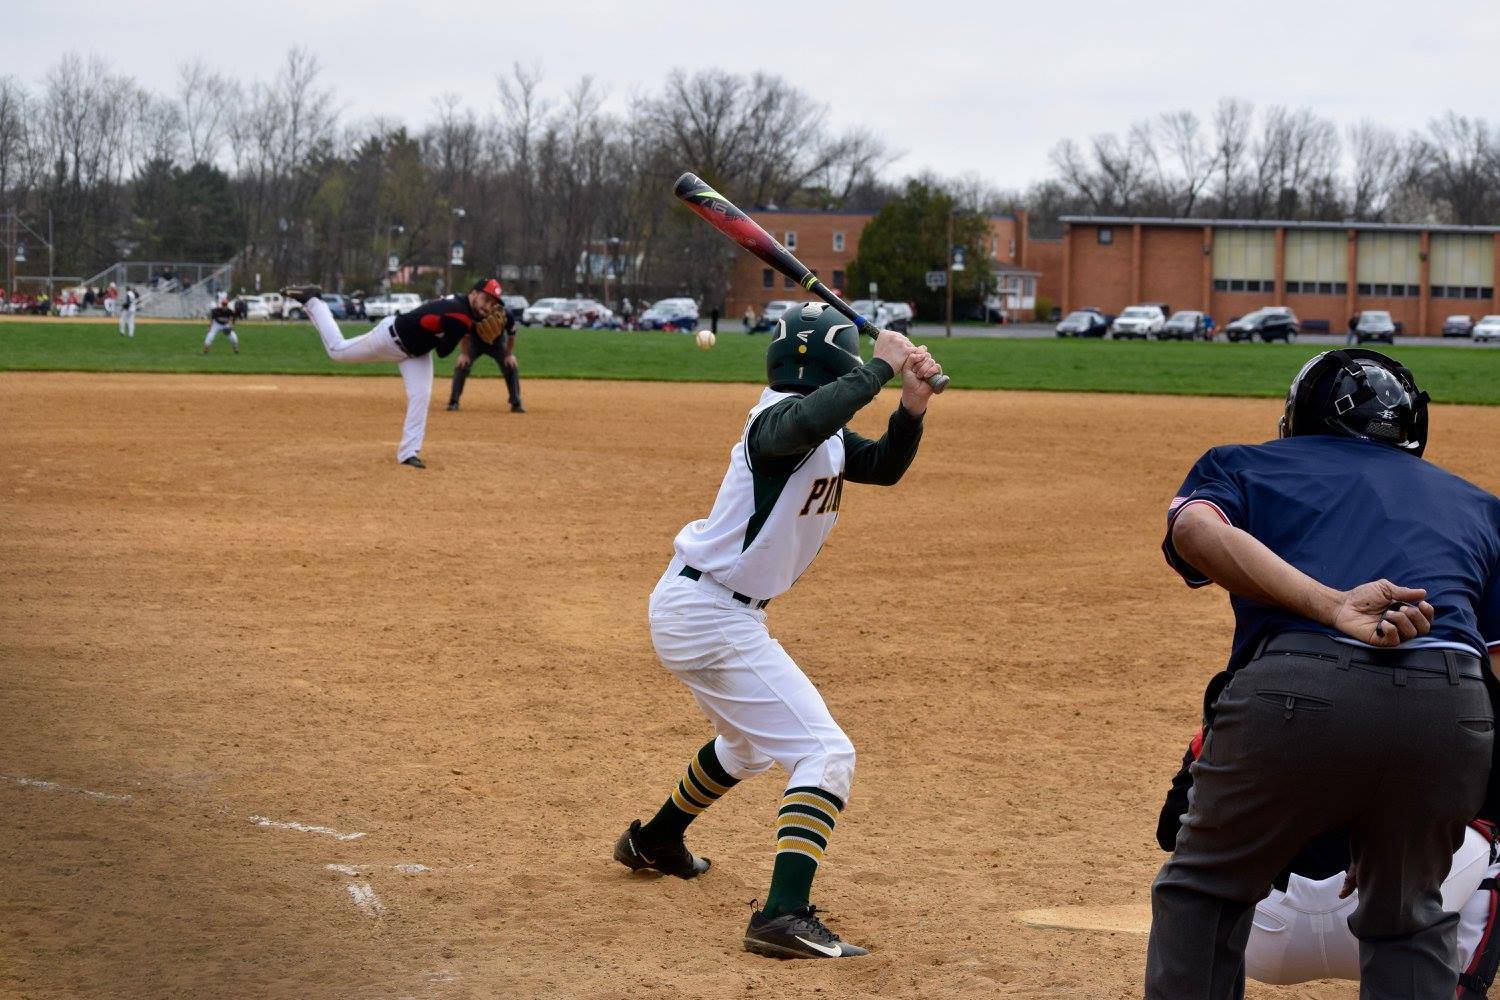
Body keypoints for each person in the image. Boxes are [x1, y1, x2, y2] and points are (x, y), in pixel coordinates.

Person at [1146, 348, 1500, 998]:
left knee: (1204, 893)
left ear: (1300, 416)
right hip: (1451, 704)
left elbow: (1194, 529)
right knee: (1411, 916)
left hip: (1296, 692)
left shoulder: (1243, 462)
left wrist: (1331, 604)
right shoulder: (1479, 505)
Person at [612, 302, 943, 959]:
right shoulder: (775, 421)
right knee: (826, 752)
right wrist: (880, 363)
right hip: (710, 614)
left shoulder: (820, 435)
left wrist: (909, 407)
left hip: (707, 611)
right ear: (839, 361)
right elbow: (801, 421)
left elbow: (880, 465)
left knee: (746, 746)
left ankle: (654, 839)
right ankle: (782, 915)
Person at [1157, 728, 1500, 992]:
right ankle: (1461, 988)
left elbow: (1171, 829)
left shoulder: (1246, 697)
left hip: (1260, 936)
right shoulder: (1434, 697)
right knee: (1489, 833)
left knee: (1192, 866)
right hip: (1386, 928)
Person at [285, 278, 506, 469]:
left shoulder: (461, 304)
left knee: (421, 395)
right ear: (474, 293)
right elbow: (443, 351)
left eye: (493, 303)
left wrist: (470, 328)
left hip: (416, 352)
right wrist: (471, 331)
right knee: (337, 351)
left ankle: (409, 452)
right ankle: (313, 301)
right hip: (390, 340)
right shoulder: (461, 316)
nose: (488, 306)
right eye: (486, 299)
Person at [446, 305, 524, 413]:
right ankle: (453, 402)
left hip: (497, 344)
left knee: (510, 365)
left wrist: (509, 355)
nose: (492, 305)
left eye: (495, 302)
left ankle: (516, 403)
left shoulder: (506, 314)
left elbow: (512, 336)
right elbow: (464, 336)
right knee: (461, 365)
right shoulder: (471, 313)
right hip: (475, 343)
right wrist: (464, 354)